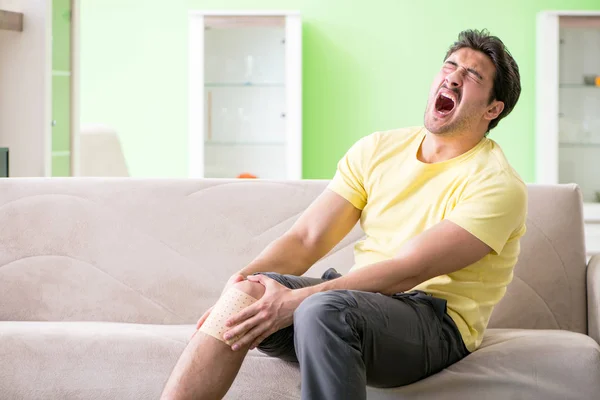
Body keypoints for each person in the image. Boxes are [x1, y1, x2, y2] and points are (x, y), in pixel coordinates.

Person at [160, 28, 526, 400]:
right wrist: (237, 282)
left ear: (493, 109)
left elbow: (409, 270)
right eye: (450, 66)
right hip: (362, 306)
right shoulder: (378, 149)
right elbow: (307, 239)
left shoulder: (497, 183)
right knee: (247, 293)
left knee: (321, 309)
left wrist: (295, 301)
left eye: (473, 75)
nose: (454, 76)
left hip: (435, 323)